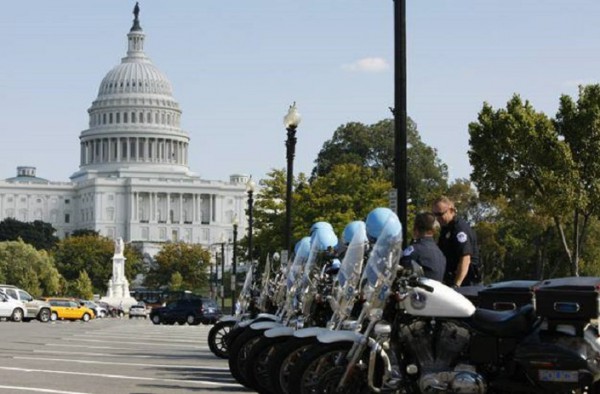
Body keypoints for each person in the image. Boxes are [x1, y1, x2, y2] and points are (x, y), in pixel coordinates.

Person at [432, 196, 482, 287]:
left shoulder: (459, 229)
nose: (437, 218)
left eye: (440, 214)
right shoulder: (446, 228)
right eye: (435, 215)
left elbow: (465, 258)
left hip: (466, 283)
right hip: (451, 278)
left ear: (451, 210)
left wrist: (456, 285)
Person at [400, 212, 446, 282]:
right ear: (432, 230)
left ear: (416, 230)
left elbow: (400, 269)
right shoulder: (440, 253)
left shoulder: (414, 250)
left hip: (419, 292)